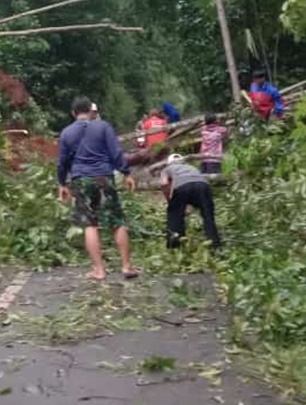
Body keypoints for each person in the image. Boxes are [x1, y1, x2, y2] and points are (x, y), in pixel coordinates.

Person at [57, 97, 141, 280]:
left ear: (73, 113)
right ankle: (126, 267)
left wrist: (62, 183)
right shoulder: (103, 127)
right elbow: (115, 152)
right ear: (90, 110)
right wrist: (126, 173)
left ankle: (99, 270)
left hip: (81, 179)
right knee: (116, 221)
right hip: (104, 176)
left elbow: (62, 162)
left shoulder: (66, 133)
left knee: (90, 225)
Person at [159, 154, 222, 250]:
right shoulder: (191, 167)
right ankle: (215, 245)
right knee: (208, 216)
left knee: (174, 216)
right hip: (203, 186)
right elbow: (193, 185)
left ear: (169, 163)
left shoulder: (167, 169)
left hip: (182, 187)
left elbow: (164, 183)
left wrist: (170, 201)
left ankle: (175, 244)